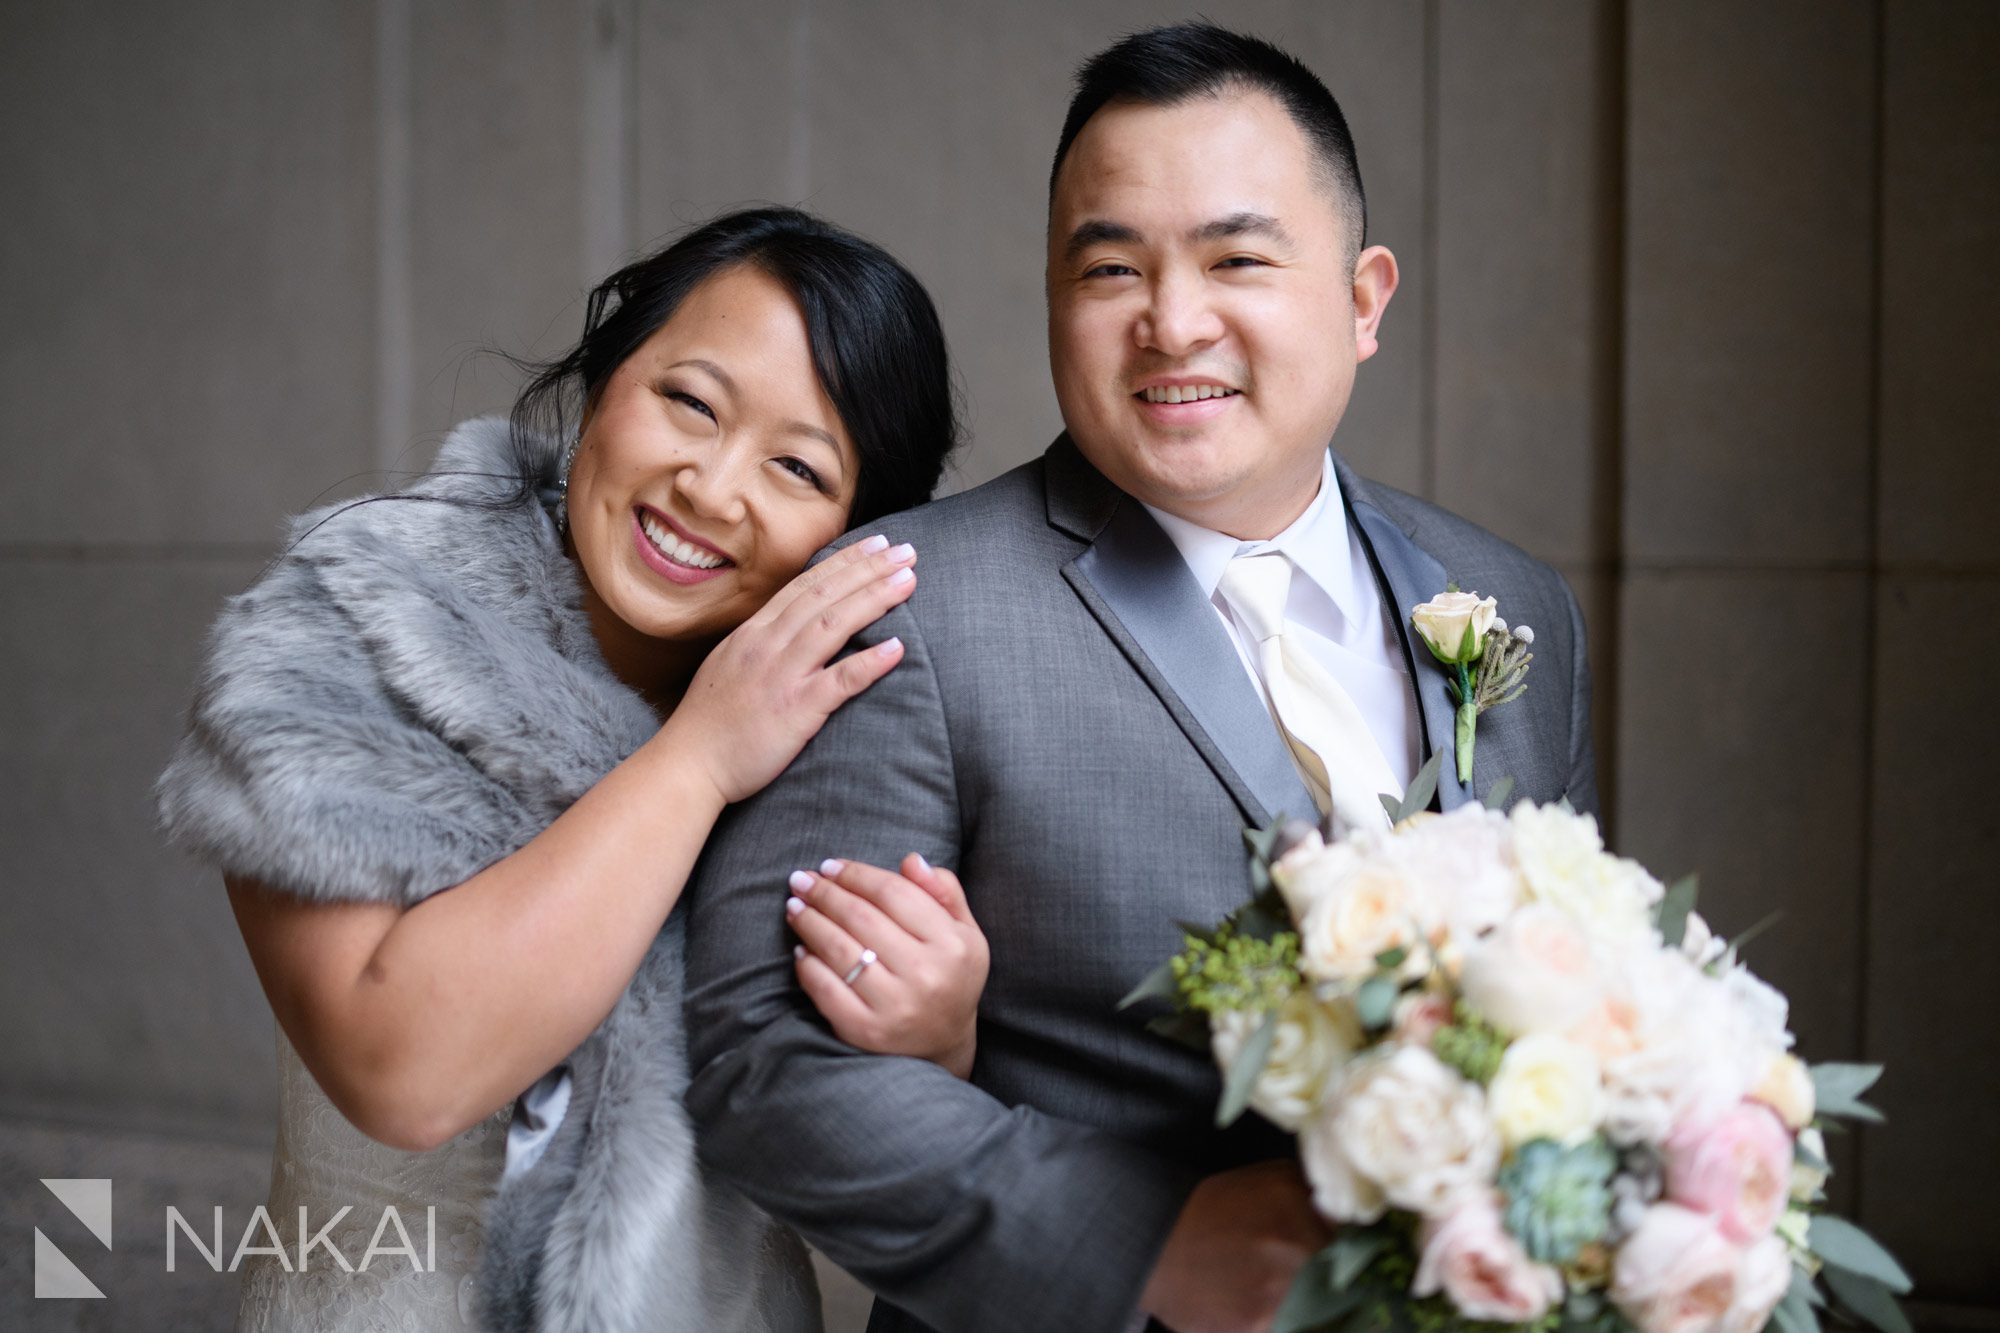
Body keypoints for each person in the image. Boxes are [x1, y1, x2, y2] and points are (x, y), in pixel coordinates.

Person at [677, 23, 1599, 1333]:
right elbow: (762, 1063)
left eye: (1238, 259)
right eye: (1111, 267)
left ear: (1362, 298)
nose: (1172, 322)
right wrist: (1152, 1242)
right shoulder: (903, 601)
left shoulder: (1518, 608)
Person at [156, 207, 985, 1332]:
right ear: (604, 379)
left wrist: (937, 1041)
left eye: (796, 465)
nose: (711, 485)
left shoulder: (859, 730)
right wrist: (696, 758)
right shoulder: (355, 617)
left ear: (854, 533)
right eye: (688, 401)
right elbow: (402, 1068)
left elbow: (883, 1201)